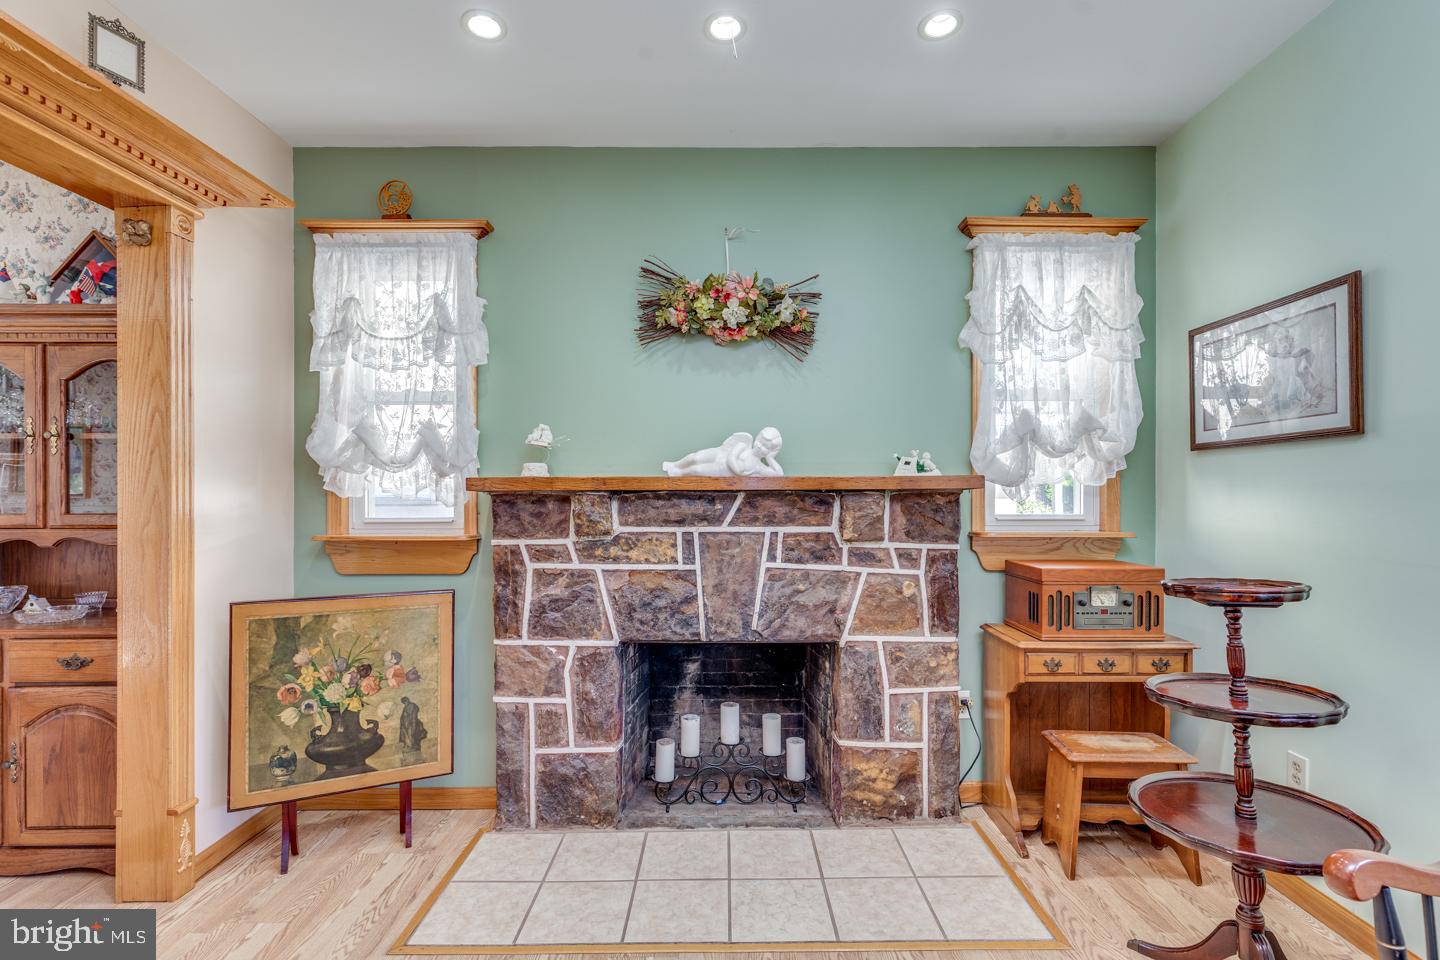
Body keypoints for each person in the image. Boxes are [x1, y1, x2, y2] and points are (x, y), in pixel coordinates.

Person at [662, 427, 784, 477]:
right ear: (757, 438)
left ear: (770, 451)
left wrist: (771, 458)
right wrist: (739, 472)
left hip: (720, 469)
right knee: (694, 458)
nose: (760, 447)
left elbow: (779, 475)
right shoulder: (744, 444)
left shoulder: (759, 467)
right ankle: (675, 464)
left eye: (766, 447)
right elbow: (731, 457)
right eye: (760, 442)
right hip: (719, 455)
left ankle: (679, 472)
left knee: (696, 470)